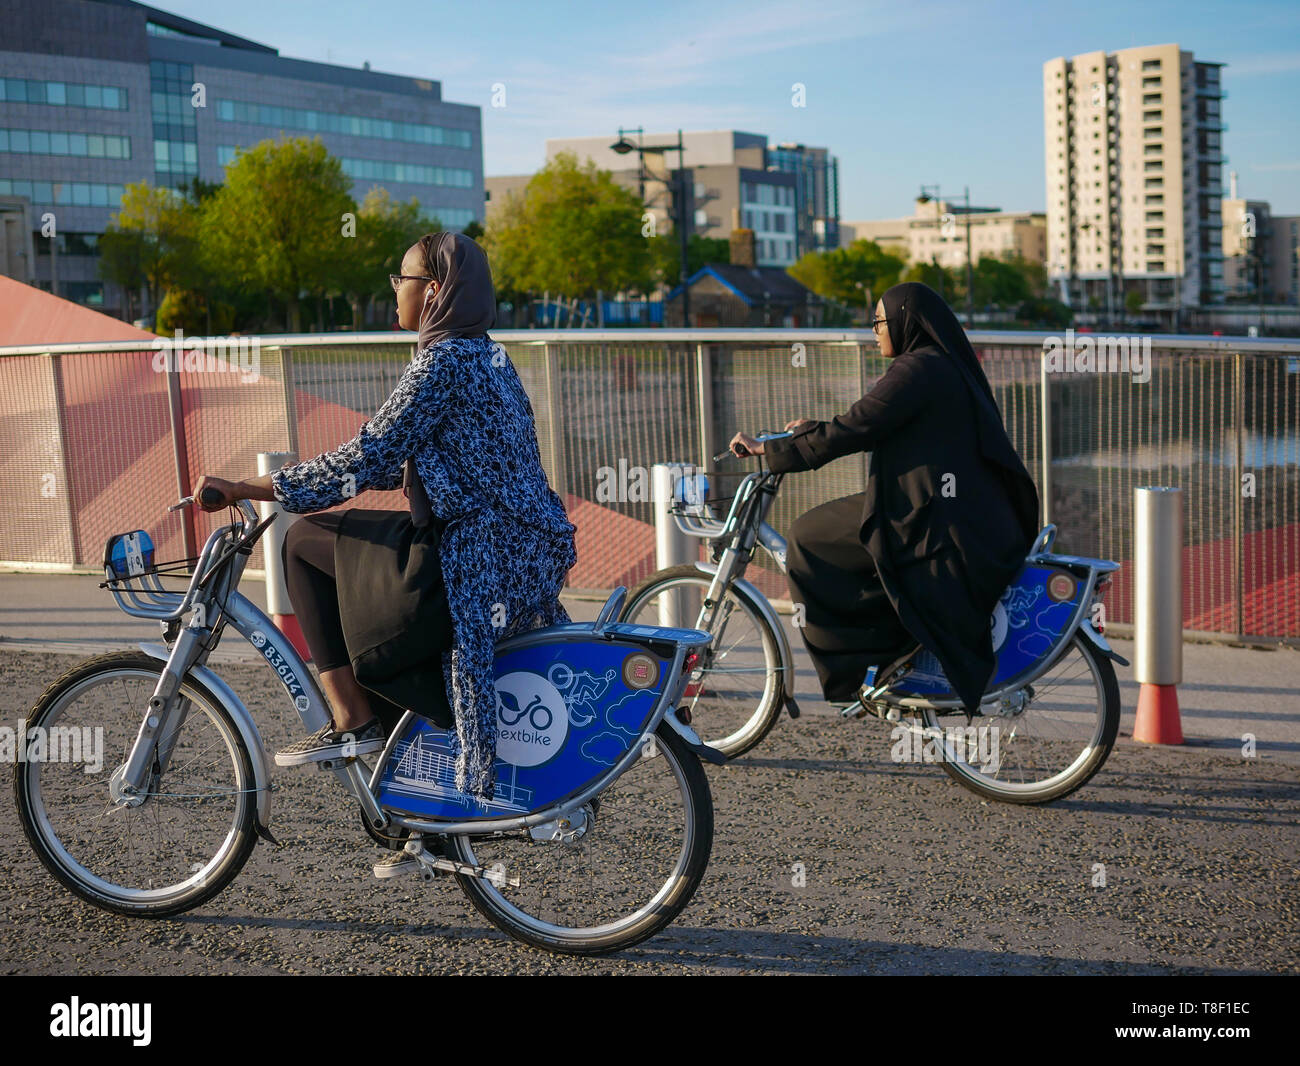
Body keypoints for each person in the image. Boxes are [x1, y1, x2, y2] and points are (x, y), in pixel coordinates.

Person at [195, 232, 577, 874]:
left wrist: (252, 487)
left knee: (307, 542)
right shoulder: (489, 355)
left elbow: (368, 457)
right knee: (374, 601)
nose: (392, 292)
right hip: (520, 550)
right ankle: (418, 812)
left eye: (400, 279)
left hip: (478, 554)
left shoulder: (442, 362)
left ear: (433, 291)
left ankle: (351, 720)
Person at [728, 281, 1039, 716]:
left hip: (933, 516)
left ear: (904, 321)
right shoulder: (939, 364)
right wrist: (809, 432)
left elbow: (854, 430)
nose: (873, 330)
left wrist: (769, 449)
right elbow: (866, 422)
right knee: (848, 535)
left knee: (807, 535)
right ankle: (895, 650)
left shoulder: (916, 370)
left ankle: (861, 665)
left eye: (879, 321)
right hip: (959, 509)